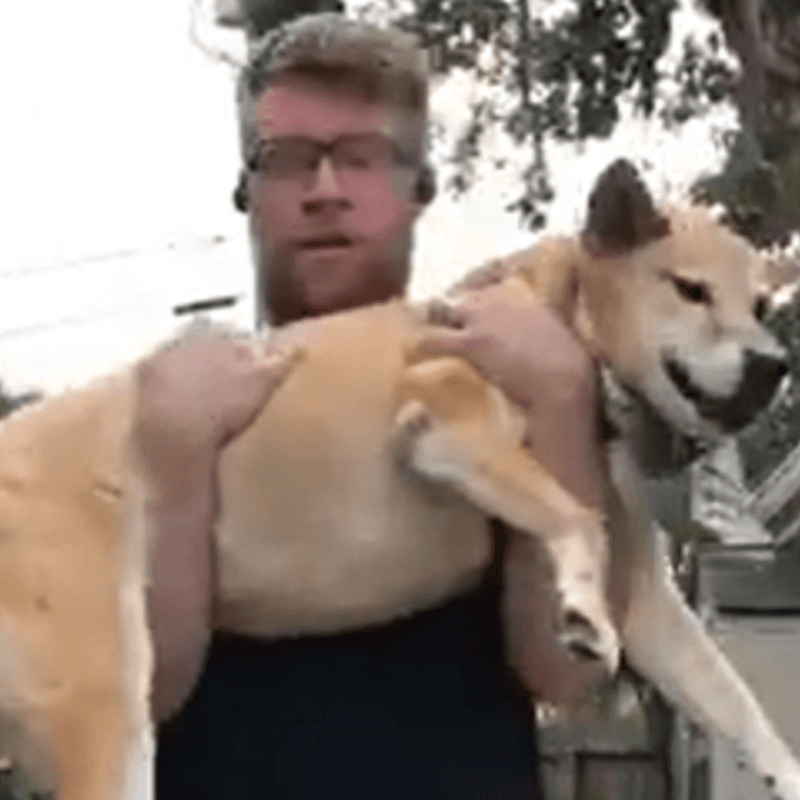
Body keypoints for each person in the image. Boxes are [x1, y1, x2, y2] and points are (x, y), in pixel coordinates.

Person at [137, 12, 606, 799]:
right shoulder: (172, 401)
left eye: (361, 158)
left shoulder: (497, 384)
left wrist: (561, 404)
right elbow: (138, 698)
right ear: (246, 192)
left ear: (419, 189)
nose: (325, 191)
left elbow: (563, 672)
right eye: (288, 161)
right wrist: (177, 472)